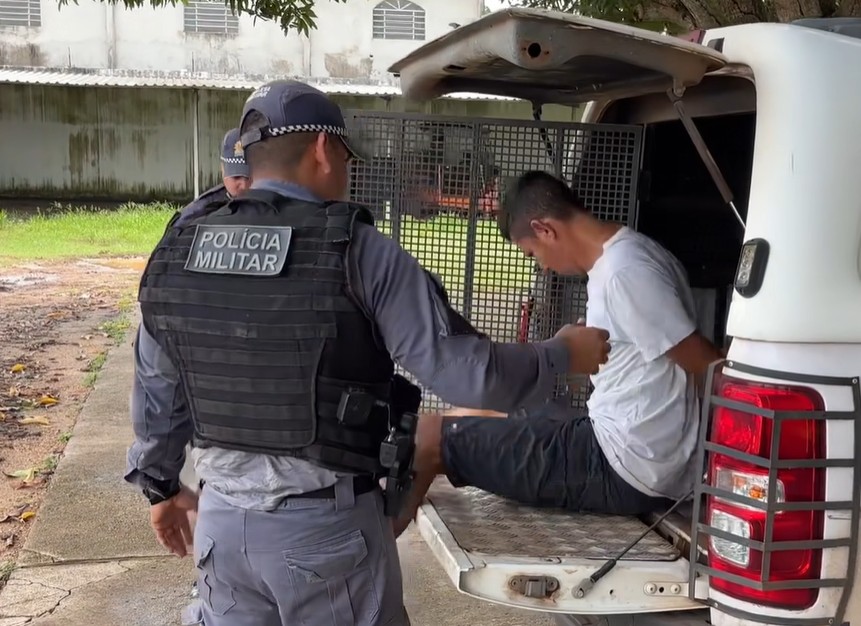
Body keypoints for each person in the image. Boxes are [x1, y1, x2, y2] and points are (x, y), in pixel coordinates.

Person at [124, 81, 611, 626]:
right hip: (322, 538)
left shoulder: (181, 247)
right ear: (323, 151)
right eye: (347, 159)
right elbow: (468, 376)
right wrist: (559, 353)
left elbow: (157, 386)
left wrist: (160, 486)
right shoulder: (358, 252)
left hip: (221, 528)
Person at [396, 170, 724, 534]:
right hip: (634, 449)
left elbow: (706, 364)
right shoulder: (633, 254)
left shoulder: (624, 273)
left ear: (545, 229)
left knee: (429, 438)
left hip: (624, 464)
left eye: (533, 252)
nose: (541, 265)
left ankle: (383, 533)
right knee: (474, 410)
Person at [165, 127, 252, 230]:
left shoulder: (274, 210)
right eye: (236, 177)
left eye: (249, 176)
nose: (244, 185)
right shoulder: (195, 216)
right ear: (222, 169)